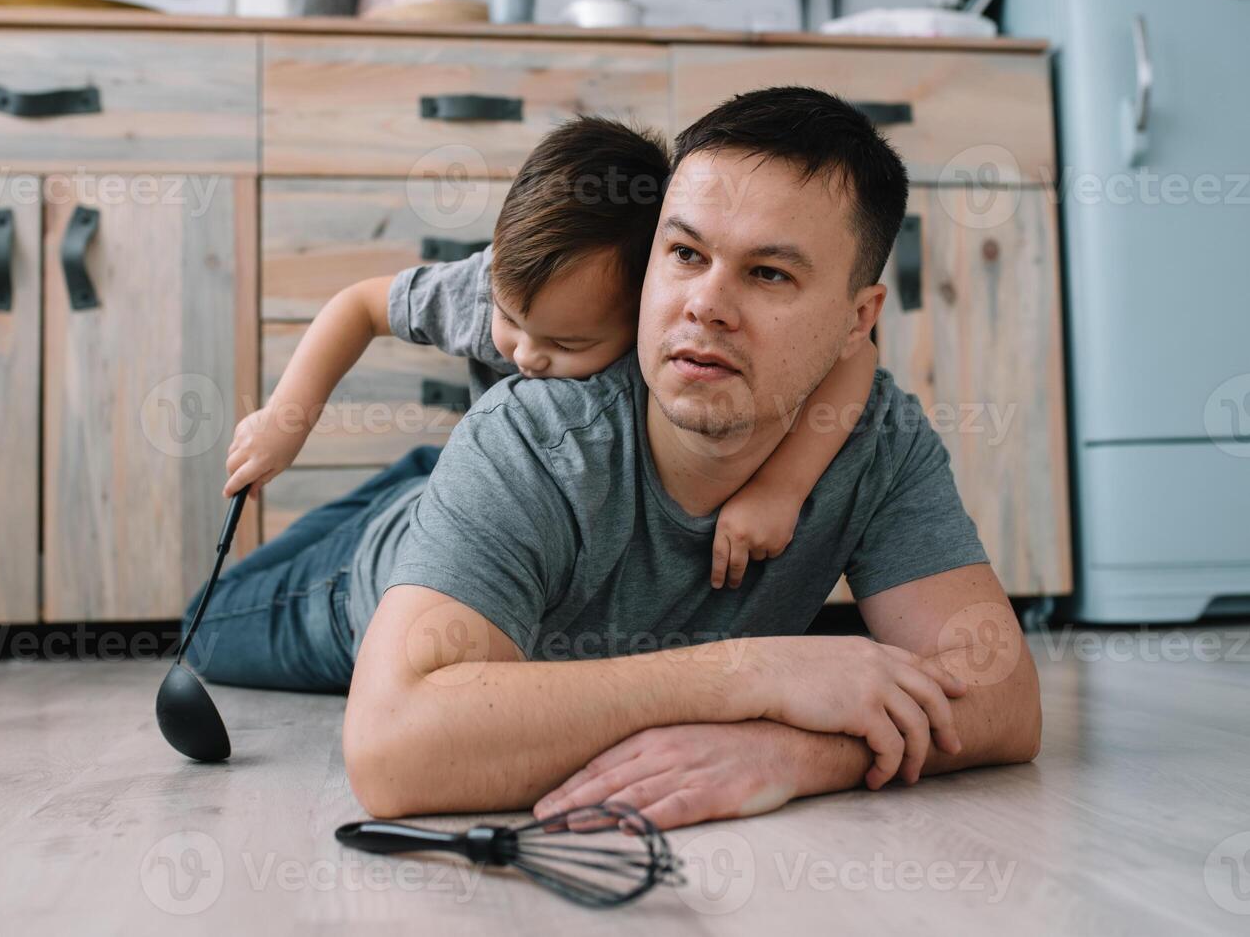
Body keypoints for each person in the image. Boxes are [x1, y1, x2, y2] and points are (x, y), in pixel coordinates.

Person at [187, 88, 1042, 830]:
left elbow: (1003, 699)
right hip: (368, 576)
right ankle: (423, 502)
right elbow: (393, 750)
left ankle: (438, 491)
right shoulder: (536, 430)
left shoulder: (877, 440)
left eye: (771, 275)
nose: (705, 305)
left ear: (860, 319)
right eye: (685, 253)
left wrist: (793, 754)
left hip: (497, 503)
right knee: (208, 627)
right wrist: (758, 672)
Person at [221, 116, 878, 595]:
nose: (527, 355)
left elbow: (856, 359)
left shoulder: (666, 327)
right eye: (511, 323)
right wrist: (287, 418)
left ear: (644, 301)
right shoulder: (487, 291)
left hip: (475, 490)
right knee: (258, 575)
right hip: (450, 481)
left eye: (567, 345)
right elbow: (362, 305)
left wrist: (781, 489)